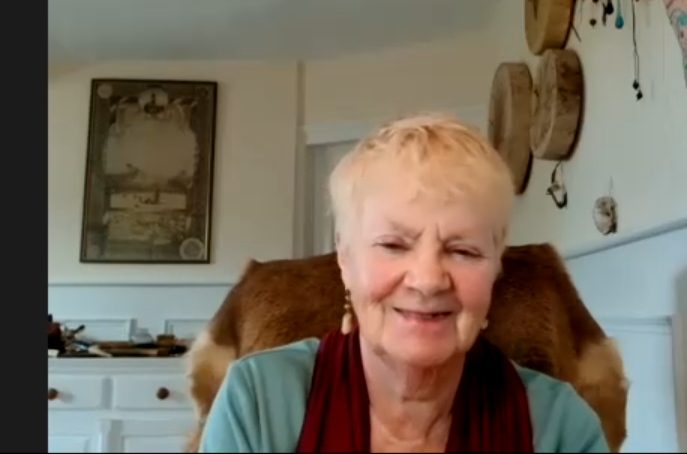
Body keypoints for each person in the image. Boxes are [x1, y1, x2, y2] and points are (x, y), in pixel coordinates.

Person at [198, 114, 609, 453]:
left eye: (463, 251)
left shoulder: (561, 426)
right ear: (345, 258)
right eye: (393, 245)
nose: (428, 281)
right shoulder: (256, 400)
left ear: (495, 266)